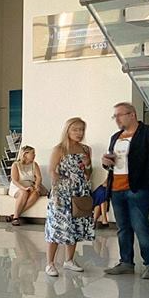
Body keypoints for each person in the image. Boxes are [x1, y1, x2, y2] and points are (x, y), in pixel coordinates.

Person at [102, 102, 149, 279]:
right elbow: (113, 162)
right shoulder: (115, 137)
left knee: (140, 226)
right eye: (114, 116)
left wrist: (143, 182)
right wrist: (106, 163)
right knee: (123, 228)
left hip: (137, 188)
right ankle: (126, 262)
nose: (117, 119)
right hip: (116, 188)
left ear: (132, 114)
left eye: (119, 115)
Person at [45, 117, 94, 277]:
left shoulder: (86, 149)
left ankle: (69, 260)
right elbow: (51, 170)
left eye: (82, 130)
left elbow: (88, 173)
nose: (79, 133)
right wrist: (58, 188)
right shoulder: (59, 149)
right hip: (61, 193)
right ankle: (50, 263)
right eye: (75, 129)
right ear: (67, 131)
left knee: (75, 225)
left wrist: (88, 164)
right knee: (56, 226)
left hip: (79, 191)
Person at [8, 145, 45, 226]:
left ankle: (15, 215)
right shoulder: (16, 165)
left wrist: (37, 186)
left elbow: (39, 177)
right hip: (18, 186)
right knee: (23, 193)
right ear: (25, 154)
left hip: (30, 186)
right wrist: (24, 188)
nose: (34, 155)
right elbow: (14, 181)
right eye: (32, 153)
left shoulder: (34, 164)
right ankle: (15, 218)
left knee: (36, 193)